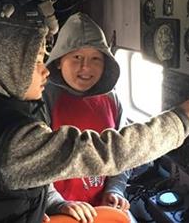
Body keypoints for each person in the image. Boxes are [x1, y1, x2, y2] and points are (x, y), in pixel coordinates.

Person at [0, 16, 189, 223]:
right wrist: (180, 120)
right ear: (5, 70)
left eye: (96, 58)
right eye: (34, 64)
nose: (44, 71)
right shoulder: (10, 137)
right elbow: (105, 152)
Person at [42, 12, 135, 223]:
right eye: (77, 57)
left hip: (102, 207)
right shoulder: (43, 99)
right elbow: (30, 166)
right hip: (58, 212)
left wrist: (116, 190)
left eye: (95, 58)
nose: (86, 67)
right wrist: (58, 203)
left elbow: (125, 153)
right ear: (58, 62)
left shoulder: (113, 99)